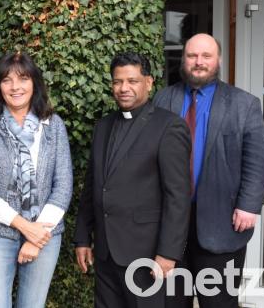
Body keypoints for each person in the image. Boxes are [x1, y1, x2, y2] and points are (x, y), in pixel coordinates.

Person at [153, 33, 264, 308]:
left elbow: (256, 161)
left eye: (206, 56)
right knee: (170, 302)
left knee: (219, 302)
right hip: (169, 226)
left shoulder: (245, 104)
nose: (199, 62)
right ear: (183, 60)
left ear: (218, 60)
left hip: (222, 223)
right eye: (192, 56)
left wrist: (249, 205)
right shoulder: (163, 99)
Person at [73, 52, 191, 308]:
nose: (123, 88)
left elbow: (178, 197)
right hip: (106, 254)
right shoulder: (103, 126)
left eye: (132, 81)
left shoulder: (169, 127)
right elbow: (92, 185)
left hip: (146, 257)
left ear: (148, 83)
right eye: (117, 82)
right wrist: (83, 237)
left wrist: (168, 253)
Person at [0, 51, 73, 308]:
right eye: (7, 80)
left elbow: (63, 185)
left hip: (45, 235)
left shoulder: (53, 125)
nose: (16, 87)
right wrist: (25, 227)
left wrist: (37, 235)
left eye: (23, 79)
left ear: (34, 83)